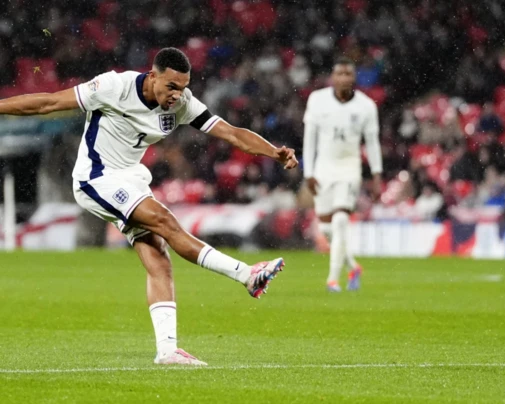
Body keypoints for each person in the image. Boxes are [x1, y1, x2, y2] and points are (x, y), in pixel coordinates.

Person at [0, 48, 298, 366]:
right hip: (96, 179)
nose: (177, 95)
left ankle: (167, 350)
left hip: (130, 181)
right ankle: (246, 275)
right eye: (171, 86)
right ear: (153, 76)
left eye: (183, 87)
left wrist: (273, 152)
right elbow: (48, 102)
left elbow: (230, 133)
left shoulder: (182, 104)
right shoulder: (114, 87)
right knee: (165, 221)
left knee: (158, 258)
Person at [303, 57, 383, 292]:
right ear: (332, 77)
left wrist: (377, 175)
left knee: (340, 222)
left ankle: (332, 280)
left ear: (354, 77)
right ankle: (353, 266)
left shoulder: (366, 106)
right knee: (327, 229)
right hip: (323, 168)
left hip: (349, 168)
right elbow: (310, 139)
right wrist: (308, 172)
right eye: (339, 74)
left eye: (348, 74)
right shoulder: (317, 100)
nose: (343, 78)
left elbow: (372, 143)